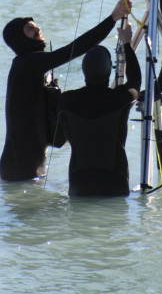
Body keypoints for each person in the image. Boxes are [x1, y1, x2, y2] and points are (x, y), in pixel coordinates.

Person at [0, 0, 131, 181]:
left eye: (35, 25)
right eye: (29, 28)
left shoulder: (27, 65)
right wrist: (113, 18)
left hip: (22, 165)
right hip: (21, 167)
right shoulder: (29, 64)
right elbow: (74, 49)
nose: (37, 29)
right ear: (19, 39)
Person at [59, 22, 141, 196]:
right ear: (108, 71)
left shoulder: (66, 99)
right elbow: (135, 80)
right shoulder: (121, 98)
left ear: (84, 71)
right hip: (115, 182)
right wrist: (127, 43)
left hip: (79, 183)